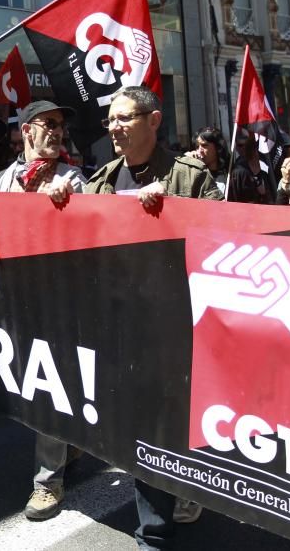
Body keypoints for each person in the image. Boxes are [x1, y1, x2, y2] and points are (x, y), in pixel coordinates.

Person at [85, 86, 222, 547]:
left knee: (174, 426)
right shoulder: (100, 180)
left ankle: (171, 508)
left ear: (154, 120)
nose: (114, 128)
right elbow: (76, 239)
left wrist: (175, 213)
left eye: (124, 118)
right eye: (110, 120)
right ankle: (156, 525)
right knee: (142, 430)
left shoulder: (190, 177)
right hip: (122, 329)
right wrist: (59, 199)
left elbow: (221, 242)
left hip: (175, 331)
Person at [0, 100, 87, 520]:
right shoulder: (2, 181)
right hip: (17, 299)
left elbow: (92, 235)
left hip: (61, 302)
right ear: (27, 130)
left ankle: (48, 483)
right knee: (35, 385)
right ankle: (76, 442)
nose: (57, 132)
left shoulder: (73, 180)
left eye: (61, 126)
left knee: (50, 388)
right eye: (49, 124)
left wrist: (67, 208)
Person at [186, 127, 229, 196]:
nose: (199, 151)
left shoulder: (230, 176)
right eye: (197, 146)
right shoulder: (195, 174)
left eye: (204, 145)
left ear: (218, 148)